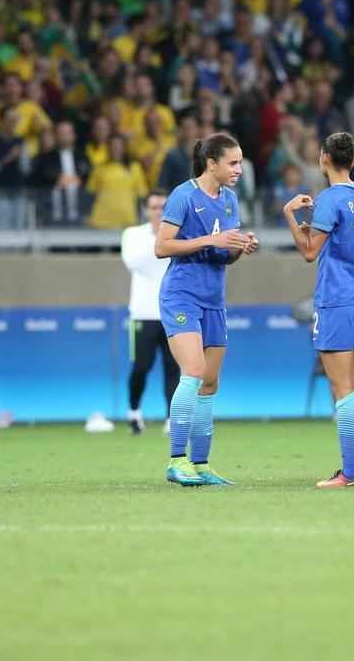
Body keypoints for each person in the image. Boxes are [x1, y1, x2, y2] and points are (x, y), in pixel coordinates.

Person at [156, 133, 259, 487]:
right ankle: (176, 460)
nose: (239, 169)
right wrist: (211, 240)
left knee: (210, 382)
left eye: (240, 162)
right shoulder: (183, 196)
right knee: (194, 371)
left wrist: (239, 247)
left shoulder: (230, 200)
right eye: (233, 163)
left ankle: (200, 464)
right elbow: (162, 246)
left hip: (214, 298)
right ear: (211, 164)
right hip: (181, 296)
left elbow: (224, 255)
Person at [282, 131, 354, 488]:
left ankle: (350, 471)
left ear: (324, 158)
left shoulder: (329, 199)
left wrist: (290, 215)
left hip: (337, 299)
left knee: (342, 389)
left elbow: (310, 252)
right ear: (353, 161)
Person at [121, 190, 180, 435]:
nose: (159, 212)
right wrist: (159, 237)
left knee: (173, 369)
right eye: (154, 207)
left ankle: (172, 419)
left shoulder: (180, 232)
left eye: (163, 207)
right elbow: (132, 261)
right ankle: (134, 413)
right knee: (141, 367)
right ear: (146, 210)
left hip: (172, 313)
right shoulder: (133, 234)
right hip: (143, 314)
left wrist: (167, 237)